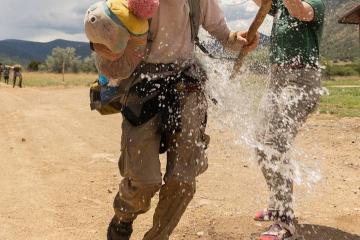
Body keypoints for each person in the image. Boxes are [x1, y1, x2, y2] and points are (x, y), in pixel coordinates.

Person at [93, 0, 259, 239]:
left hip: (187, 86)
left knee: (183, 180)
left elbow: (226, 38)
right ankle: (123, 216)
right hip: (143, 87)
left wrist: (241, 39)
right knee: (143, 181)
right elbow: (107, 44)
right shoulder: (130, 3)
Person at [251, 0, 325, 239]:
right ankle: (276, 205)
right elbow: (261, 2)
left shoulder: (315, 3)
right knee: (260, 140)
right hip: (277, 79)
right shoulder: (280, 5)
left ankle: (284, 220)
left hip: (301, 80)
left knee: (276, 141)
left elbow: (300, 11)